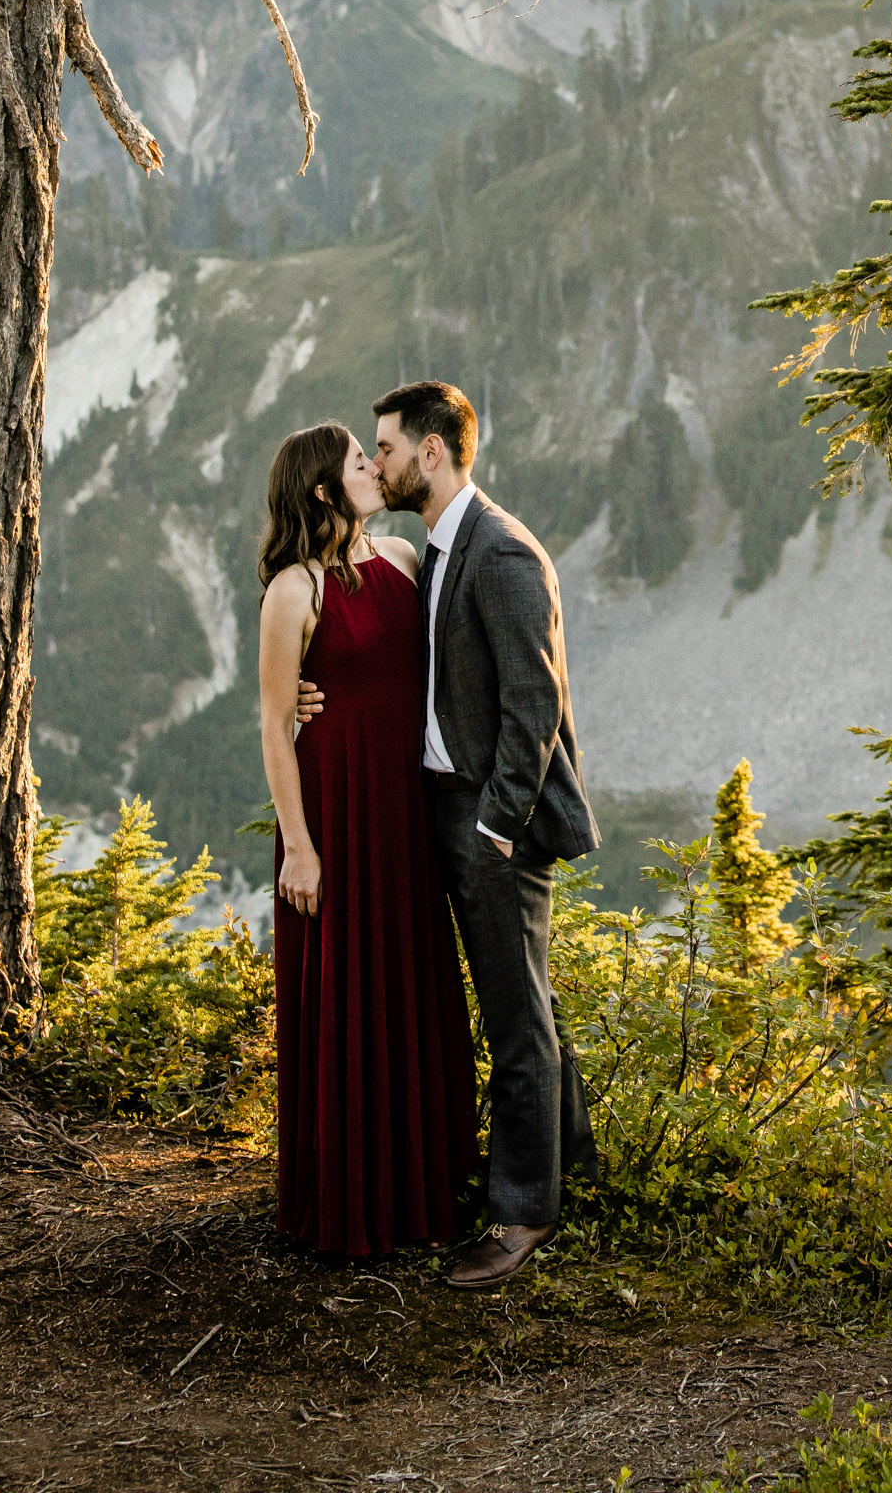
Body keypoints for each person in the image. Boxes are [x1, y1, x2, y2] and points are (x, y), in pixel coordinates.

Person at [299, 379, 599, 1289]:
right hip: (440, 807)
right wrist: (313, 696)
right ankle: (571, 1166)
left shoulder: (501, 552)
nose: (377, 462)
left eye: (385, 448)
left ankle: (520, 1214)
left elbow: (533, 704)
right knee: (524, 1003)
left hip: (490, 823)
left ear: (432, 451)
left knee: (516, 1019)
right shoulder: (434, 548)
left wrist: (498, 828)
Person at [258, 421, 478, 1256]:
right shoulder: (293, 591)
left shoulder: (404, 560)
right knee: (348, 993)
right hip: (336, 811)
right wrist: (301, 848)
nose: (374, 469)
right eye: (360, 462)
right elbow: (277, 728)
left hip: (403, 806)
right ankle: (351, 1205)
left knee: (410, 985)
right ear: (323, 490)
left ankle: (422, 1195)